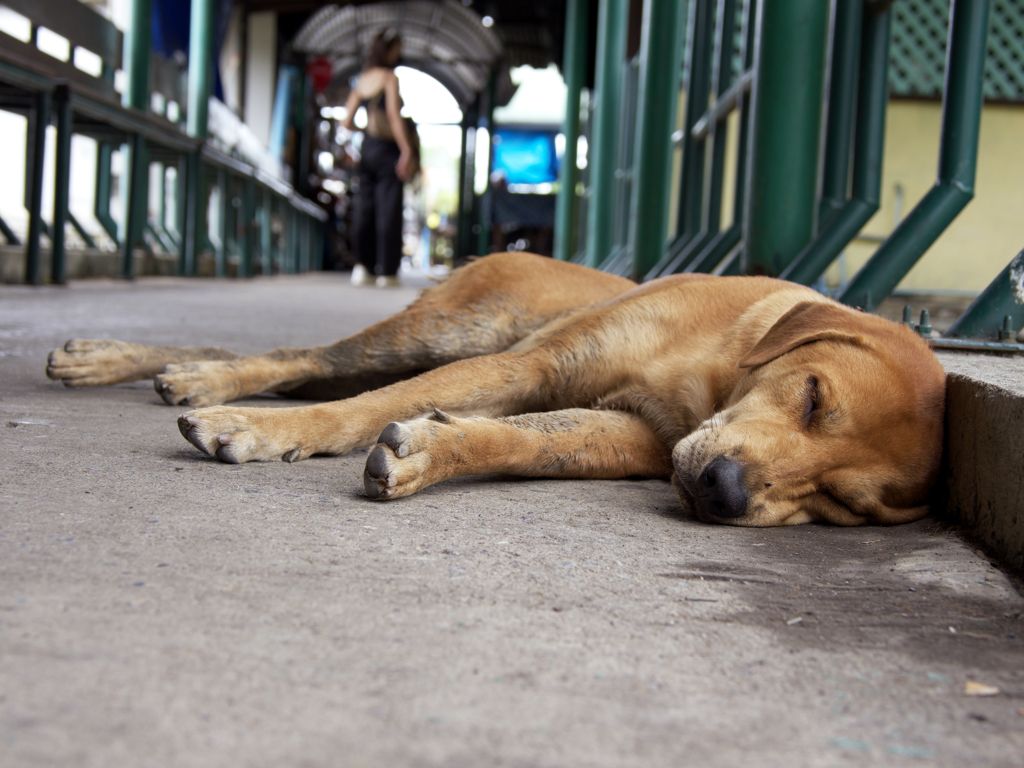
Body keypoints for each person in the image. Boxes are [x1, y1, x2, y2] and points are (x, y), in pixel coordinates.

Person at [342, 29, 416, 287]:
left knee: (365, 208)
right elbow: (394, 116)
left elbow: (346, 121)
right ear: (388, 50)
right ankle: (387, 271)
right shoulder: (388, 77)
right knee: (389, 210)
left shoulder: (363, 80)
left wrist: (366, 130)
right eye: (397, 49)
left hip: (368, 149)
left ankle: (362, 267)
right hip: (387, 150)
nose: (399, 54)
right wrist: (406, 149)